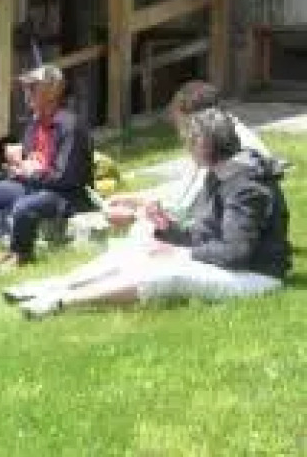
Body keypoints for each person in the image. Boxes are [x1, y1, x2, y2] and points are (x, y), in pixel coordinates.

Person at [15, 109, 291, 319]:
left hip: (256, 276)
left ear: (204, 145)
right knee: (138, 249)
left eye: (190, 142)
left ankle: (63, 302)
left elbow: (236, 252)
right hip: (230, 265)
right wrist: (166, 229)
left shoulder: (246, 188)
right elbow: (206, 233)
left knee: (168, 274)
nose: (187, 148)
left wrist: (181, 253)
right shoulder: (218, 174)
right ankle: (58, 286)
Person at [106, 80, 271, 235]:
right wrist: (136, 199)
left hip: (228, 237)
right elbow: (186, 194)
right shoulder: (223, 134)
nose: (180, 134)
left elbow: (188, 212)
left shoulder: (222, 148)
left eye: (180, 123)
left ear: (195, 119)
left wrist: (136, 215)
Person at [0, 64, 94, 271]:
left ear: (53, 91)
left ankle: (22, 254)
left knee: (24, 206)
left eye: (33, 87)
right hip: (37, 185)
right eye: (26, 87)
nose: (26, 93)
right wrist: (9, 160)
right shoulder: (35, 122)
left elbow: (64, 177)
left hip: (67, 194)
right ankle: (7, 244)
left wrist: (30, 172)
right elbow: (28, 157)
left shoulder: (70, 126)